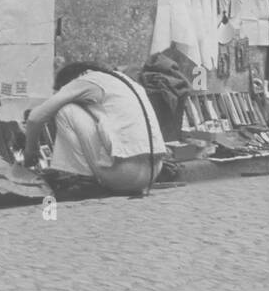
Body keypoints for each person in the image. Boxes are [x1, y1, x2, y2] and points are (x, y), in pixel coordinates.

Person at [21, 61, 164, 195]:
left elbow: (35, 118)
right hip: (153, 172)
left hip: (123, 175)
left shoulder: (86, 80)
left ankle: (81, 179)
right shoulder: (126, 82)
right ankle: (89, 175)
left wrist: (30, 152)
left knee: (65, 109)